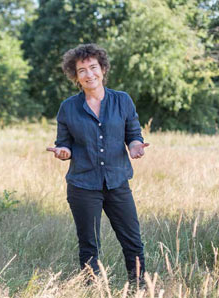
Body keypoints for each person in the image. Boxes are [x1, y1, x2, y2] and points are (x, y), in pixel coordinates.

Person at [46, 43, 149, 284]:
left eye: (93, 67)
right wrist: (62, 152)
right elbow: (64, 144)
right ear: (76, 76)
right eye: (82, 70)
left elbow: (134, 134)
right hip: (82, 185)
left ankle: (139, 287)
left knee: (132, 240)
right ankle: (91, 289)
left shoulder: (122, 100)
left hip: (117, 182)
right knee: (89, 244)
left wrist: (135, 146)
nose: (89, 74)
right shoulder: (68, 107)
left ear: (102, 69)